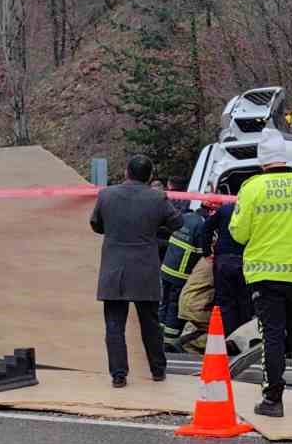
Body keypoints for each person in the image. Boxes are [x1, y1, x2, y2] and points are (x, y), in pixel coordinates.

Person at [229, 128, 292, 417]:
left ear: (262, 161)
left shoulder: (253, 187)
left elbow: (238, 232)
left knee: (272, 335)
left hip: (265, 274)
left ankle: (273, 399)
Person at [90, 154, 182, 388]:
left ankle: (119, 375)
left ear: (126, 172)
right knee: (150, 323)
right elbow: (178, 223)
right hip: (145, 269)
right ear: (150, 176)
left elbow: (96, 224)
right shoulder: (157, 197)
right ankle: (158, 370)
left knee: (114, 325)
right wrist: (155, 228)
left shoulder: (106, 195)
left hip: (114, 269)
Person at [196, 182, 252, 332]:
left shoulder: (225, 210)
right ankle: (242, 339)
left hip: (224, 262)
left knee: (225, 301)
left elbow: (206, 229)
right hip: (246, 262)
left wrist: (207, 253)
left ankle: (227, 338)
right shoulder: (255, 211)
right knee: (245, 302)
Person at [159, 199, 212, 349]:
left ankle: (158, 335)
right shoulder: (202, 225)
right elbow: (202, 253)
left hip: (166, 268)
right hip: (180, 273)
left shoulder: (186, 217)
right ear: (211, 211)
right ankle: (169, 342)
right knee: (174, 307)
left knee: (165, 303)